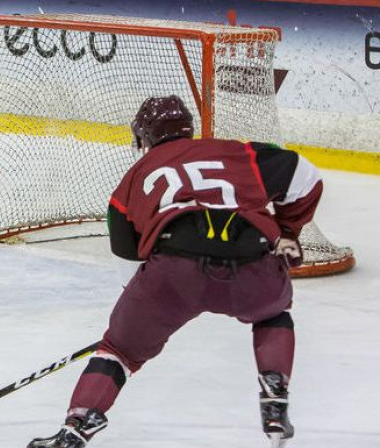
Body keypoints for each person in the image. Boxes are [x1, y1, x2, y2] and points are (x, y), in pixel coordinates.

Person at [28, 95, 322, 448]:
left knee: (118, 351)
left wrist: (132, 329)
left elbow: (130, 272)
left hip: (172, 266)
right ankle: (275, 397)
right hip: (252, 259)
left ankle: (74, 432)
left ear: (144, 137)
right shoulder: (237, 151)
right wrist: (288, 230)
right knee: (273, 313)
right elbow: (306, 176)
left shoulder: (132, 180)